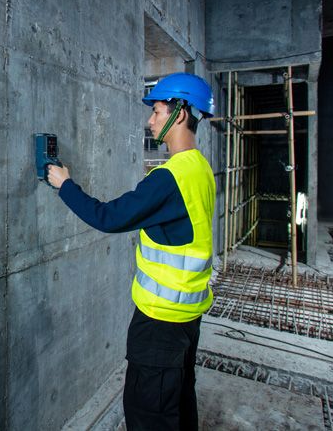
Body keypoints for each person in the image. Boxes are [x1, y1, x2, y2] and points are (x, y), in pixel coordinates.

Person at [47, 73, 216, 431]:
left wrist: (65, 185)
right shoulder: (200, 168)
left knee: (150, 415)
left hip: (159, 324)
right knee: (181, 404)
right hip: (187, 319)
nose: (150, 120)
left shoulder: (170, 177)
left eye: (156, 111)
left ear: (180, 113)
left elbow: (108, 217)